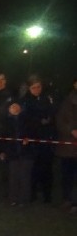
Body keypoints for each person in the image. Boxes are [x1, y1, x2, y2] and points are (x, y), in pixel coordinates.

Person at [22, 76, 56, 204]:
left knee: (47, 167)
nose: (36, 90)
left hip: (46, 138)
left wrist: (48, 121)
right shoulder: (25, 101)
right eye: (33, 87)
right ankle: (32, 193)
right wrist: (38, 121)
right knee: (33, 167)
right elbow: (25, 119)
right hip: (33, 138)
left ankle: (47, 195)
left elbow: (53, 114)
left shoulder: (47, 99)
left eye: (38, 87)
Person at [0, 101, 33, 207]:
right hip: (12, 153)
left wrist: (28, 138)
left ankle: (24, 199)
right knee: (13, 177)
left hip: (26, 152)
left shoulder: (27, 120)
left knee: (25, 176)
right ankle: (13, 199)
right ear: (8, 109)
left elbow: (33, 132)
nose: (15, 108)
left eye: (17, 106)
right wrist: (2, 151)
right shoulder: (5, 122)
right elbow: (2, 138)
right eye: (12, 107)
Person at [55, 82, 77, 212]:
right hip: (67, 147)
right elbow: (59, 120)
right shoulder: (66, 102)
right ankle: (67, 199)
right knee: (67, 175)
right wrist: (71, 131)